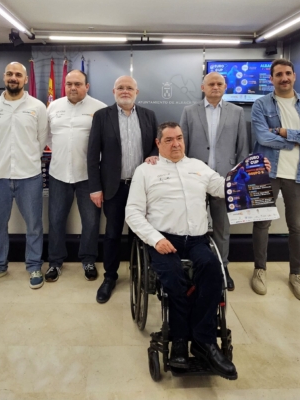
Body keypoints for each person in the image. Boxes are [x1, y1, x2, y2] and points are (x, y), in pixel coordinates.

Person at [125, 121, 237, 380]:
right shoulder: (145, 171)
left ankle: (203, 341)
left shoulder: (198, 167)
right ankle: (178, 341)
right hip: (164, 239)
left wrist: (252, 174)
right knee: (173, 279)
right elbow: (132, 213)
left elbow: (223, 188)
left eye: (179, 138)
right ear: (158, 143)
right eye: (169, 140)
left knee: (212, 271)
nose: (176, 144)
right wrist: (155, 239)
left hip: (197, 239)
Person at [251, 58, 300, 301]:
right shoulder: (261, 104)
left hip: (298, 173)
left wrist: (283, 132)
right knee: (262, 223)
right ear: (271, 79)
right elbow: (263, 138)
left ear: (294, 76)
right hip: (267, 171)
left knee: (297, 226)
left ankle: (296, 274)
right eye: (279, 74)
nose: (284, 78)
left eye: (288, 73)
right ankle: (260, 269)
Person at [0, 62, 48, 289]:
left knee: (34, 225)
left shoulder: (37, 106)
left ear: (25, 79)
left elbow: (42, 139)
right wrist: (1, 160)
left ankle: (34, 265)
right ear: (4, 77)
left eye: (18, 74)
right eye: (9, 74)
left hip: (30, 176)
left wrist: (27, 160)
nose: (13, 77)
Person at [87, 75, 158, 304]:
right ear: (113, 91)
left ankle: (141, 273)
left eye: (129, 88)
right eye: (121, 88)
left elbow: (154, 150)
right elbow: (92, 155)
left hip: (140, 187)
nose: (125, 91)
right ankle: (110, 277)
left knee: (141, 233)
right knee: (112, 234)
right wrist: (95, 187)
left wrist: (154, 157)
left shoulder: (148, 116)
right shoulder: (102, 116)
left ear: (137, 92)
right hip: (113, 187)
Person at [180, 71, 249, 291]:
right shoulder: (189, 112)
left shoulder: (237, 113)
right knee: (193, 226)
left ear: (225, 87)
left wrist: (238, 179)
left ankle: (222, 267)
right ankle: (194, 265)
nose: (215, 87)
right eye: (211, 83)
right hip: (196, 179)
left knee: (222, 227)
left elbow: (242, 149)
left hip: (224, 179)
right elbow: (181, 147)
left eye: (220, 83)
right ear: (203, 87)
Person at [45, 70, 107, 283]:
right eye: (69, 83)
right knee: (55, 220)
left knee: (90, 221)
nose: (73, 87)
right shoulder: (54, 107)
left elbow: (105, 143)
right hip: (59, 174)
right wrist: (64, 153)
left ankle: (88, 259)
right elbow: (48, 137)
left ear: (87, 86)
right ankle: (55, 262)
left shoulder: (99, 108)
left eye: (78, 84)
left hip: (88, 176)